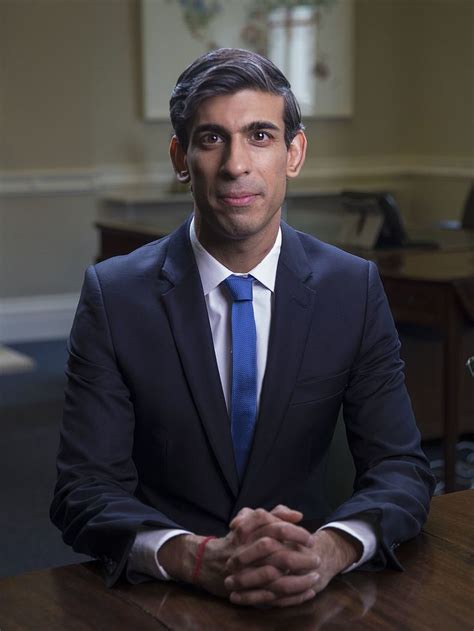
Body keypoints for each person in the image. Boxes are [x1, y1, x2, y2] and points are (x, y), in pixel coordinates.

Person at [51, 48, 435, 608]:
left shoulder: (352, 289)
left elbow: (401, 468)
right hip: (167, 596)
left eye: (260, 136)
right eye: (212, 139)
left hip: (308, 586)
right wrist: (195, 557)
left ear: (294, 153)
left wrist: (330, 549)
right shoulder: (114, 297)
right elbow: (83, 491)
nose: (237, 165)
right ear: (181, 158)